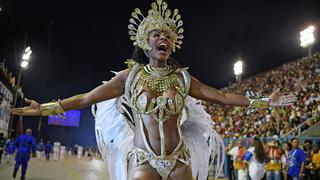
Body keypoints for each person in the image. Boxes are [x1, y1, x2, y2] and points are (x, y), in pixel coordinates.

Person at [9, 1, 297, 179]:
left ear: (172, 44)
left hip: (179, 160)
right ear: (146, 43)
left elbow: (221, 96)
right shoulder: (129, 77)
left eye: (167, 36)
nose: (163, 39)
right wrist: (44, 108)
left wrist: (264, 101)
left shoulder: (184, 79)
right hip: (143, 160)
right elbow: (86, 98)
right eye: (156, 35)